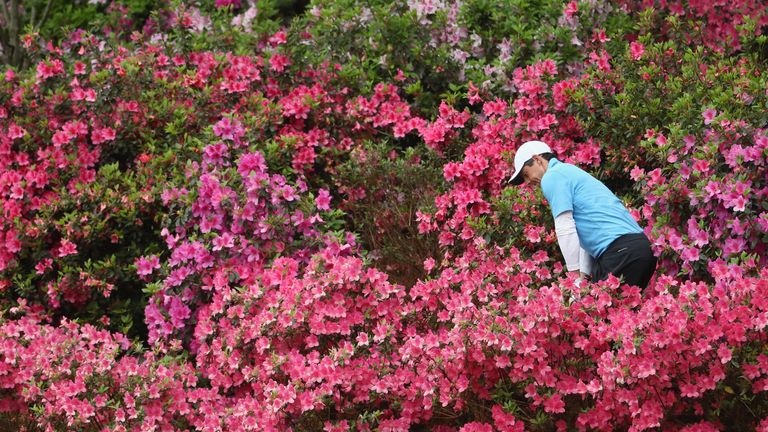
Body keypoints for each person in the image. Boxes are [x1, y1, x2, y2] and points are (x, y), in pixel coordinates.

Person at [508, 140, 656, 289]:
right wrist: (582, 277)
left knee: (596, 310)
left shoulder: (552, 176)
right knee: (618, 310)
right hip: (640, 250)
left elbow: (565, 227)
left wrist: (573, 279)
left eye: (526, 174)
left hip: (620, 253)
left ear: (537, 159)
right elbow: (586, 237)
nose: (527, 182)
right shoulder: (569, 171)